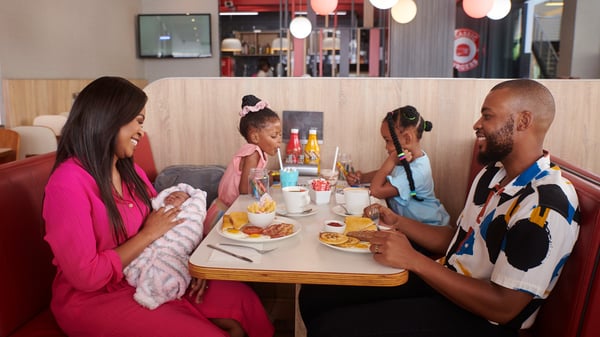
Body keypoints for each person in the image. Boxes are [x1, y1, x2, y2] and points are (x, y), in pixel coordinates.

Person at [299, 79, 580, 337]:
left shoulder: (546, 203)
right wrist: (396, 221)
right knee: (317, 294)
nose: (476, 124)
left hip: (484, 321)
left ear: (523, 121)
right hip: (449, 284)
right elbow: (457, 239)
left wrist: (414, 260)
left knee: (332, 329)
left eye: (487, 115)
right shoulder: (492, 175)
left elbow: (503, 308)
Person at [43, 76, 274, 337]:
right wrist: (149, 234)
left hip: (154, 271)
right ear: (109, 118)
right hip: (94, 298)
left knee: (244, 304)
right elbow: (87, 276)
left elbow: (169, 222)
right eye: (138, 122)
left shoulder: (131, 172)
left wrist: (190, 263)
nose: (142, 132)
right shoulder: (67, 184)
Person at [347, 105, 449, 227]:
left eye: (388, 140)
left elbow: (376, 191)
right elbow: (388, 174)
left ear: (407, 138)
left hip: (428, 229)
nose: (386, 147)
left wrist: (391, 160)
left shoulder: (417, 171)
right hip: (409, 225)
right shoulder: (409, 159)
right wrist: (362, 177)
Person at [124, 183, 207, 310]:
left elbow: (192, 233)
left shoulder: (189, 215)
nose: (172, 197)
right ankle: (148, 288)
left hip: (174, 252)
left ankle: (155, 293)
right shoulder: (157, 212)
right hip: (151, 247)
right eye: (170, 195)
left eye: (178, 196)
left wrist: (200, 260)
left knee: (172, 272)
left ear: (188, 204)